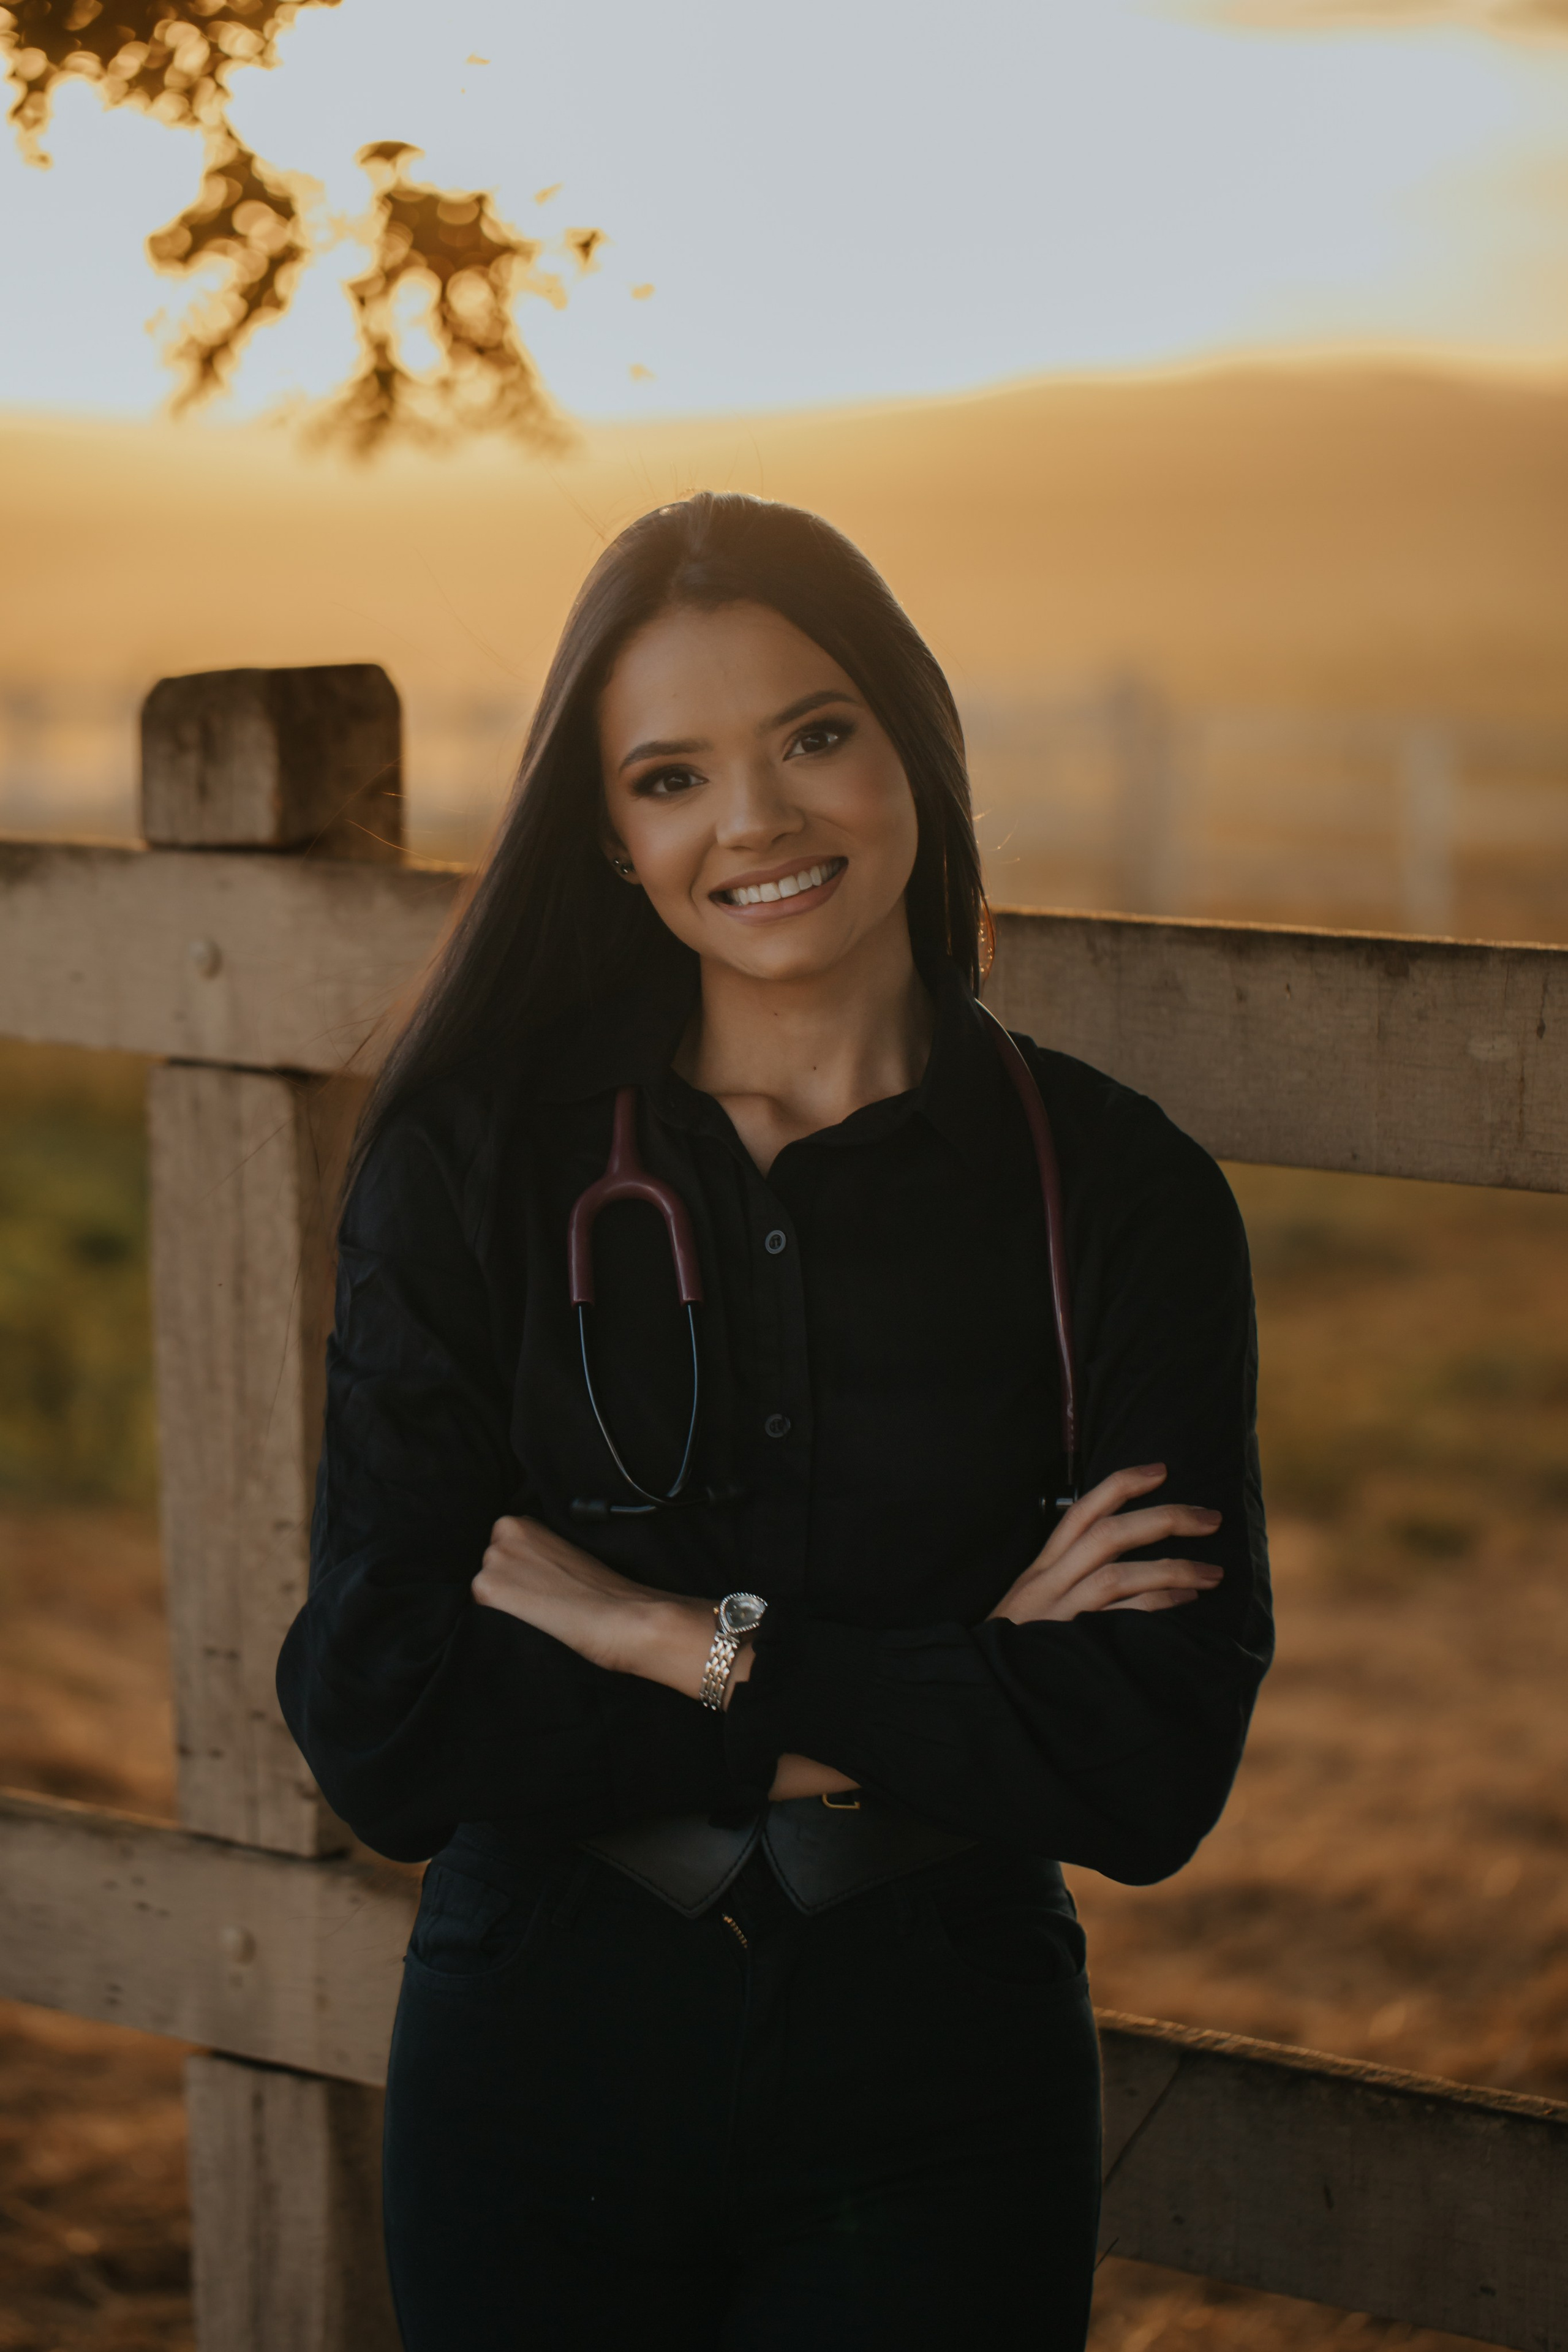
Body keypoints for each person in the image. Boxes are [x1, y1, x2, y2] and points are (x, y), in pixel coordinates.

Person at [276, 492, 1272, 2352]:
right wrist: (951, 1687)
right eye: (673, 775)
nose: (758, 822)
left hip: (940, 2068)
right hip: (536, 2054)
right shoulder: (480, 1165)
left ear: (914, 744)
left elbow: (1146, 1763)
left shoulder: (1117, 1196)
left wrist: (676, 1642)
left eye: (816, 734)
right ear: (612, 834)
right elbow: (387, 1720)